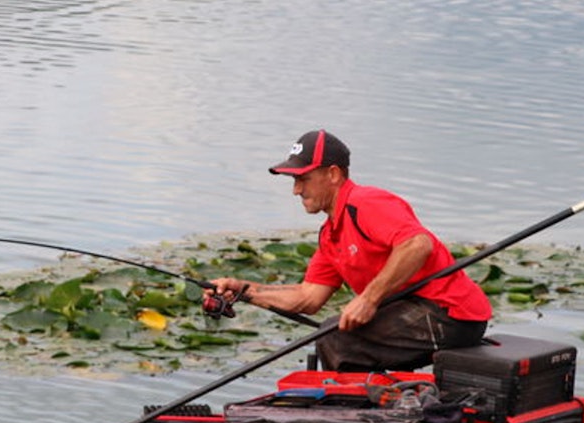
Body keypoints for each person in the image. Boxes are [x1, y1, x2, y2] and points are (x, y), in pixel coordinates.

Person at [210, 129, 492, 372]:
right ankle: (374, 410)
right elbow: (307, 298)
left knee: (337, 338)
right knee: (336, 334)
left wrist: (369, 299)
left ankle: (353, 418)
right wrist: (241, 290)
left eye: (303, 179)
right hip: (414, 313)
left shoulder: (365, 203)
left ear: (333, 174)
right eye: (294, 181)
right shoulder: (331, 234)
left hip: (452, 315)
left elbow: (417, 244)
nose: (296, 190)